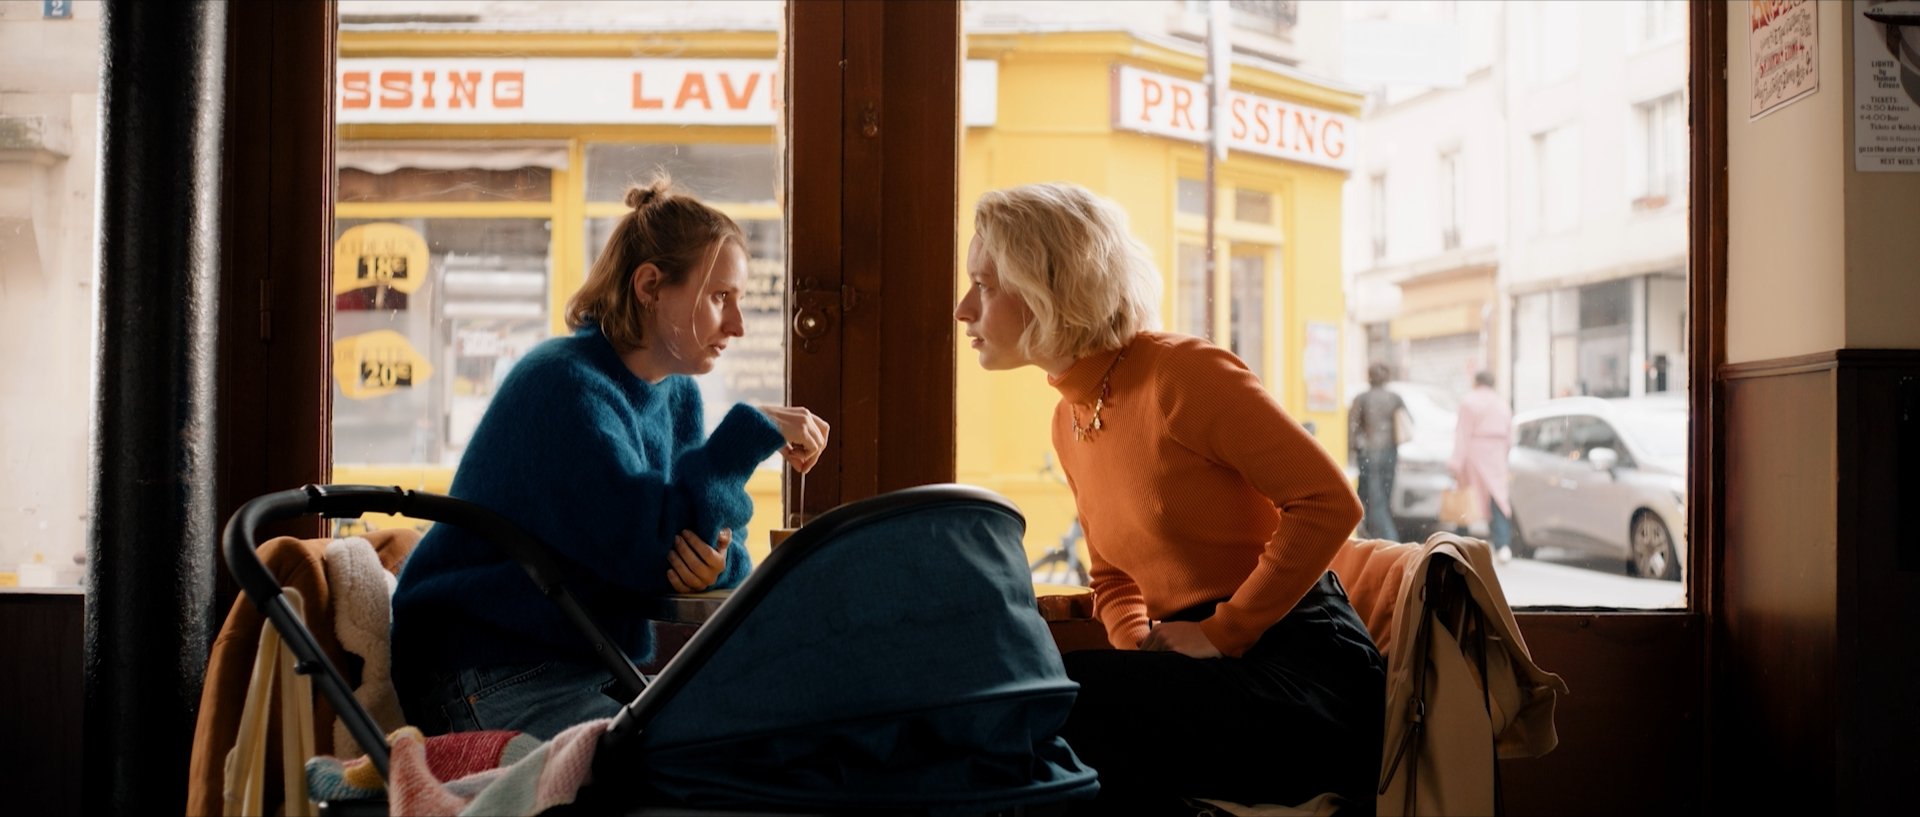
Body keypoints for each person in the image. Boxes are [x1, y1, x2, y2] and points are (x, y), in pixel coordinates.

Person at [954, 182, 1384, 812]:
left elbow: (1329, 504)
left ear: (1048, 285)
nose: (964, 308)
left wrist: (1224, 632)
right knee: (1031, 702)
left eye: (985, 285)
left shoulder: (1182, 373)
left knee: (1054, 703)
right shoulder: (1069, 419)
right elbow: (1112, 579)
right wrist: (1145, 653)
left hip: (1304, 673)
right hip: (1203, 670)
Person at [391, 177, 830, 740]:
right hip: (483, 671)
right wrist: (752, 433)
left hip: (581, 669)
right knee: (698, 762)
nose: (738, 325)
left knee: (752, 740)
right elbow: (653, 552)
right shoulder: (563, 386)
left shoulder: (676, 394)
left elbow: (702, 539)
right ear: (650, 285)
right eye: (721, 297)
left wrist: (720, 564)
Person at [1451, 370, 1514, 559]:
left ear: (1476, 382)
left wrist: (1456, 462)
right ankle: (1502, 544)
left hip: (1474, 453)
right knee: (1497, 497)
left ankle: (1459, 541)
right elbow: (1510, 436)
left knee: (1467, 496)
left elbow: (1462, 433)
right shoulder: (1502, 404)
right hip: (1496, 453)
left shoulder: (1468, 402)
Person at [1348, 362, 1407, 541]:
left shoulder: (1362, 398)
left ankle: (1381, 537)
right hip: (1389, 452)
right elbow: (1406, 422)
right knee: (1384, 495)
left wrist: (1352, 452)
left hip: (1368, 453)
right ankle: (1382, 537)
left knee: (1371, 497)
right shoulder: (1394, 398)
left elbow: (1352, 427)